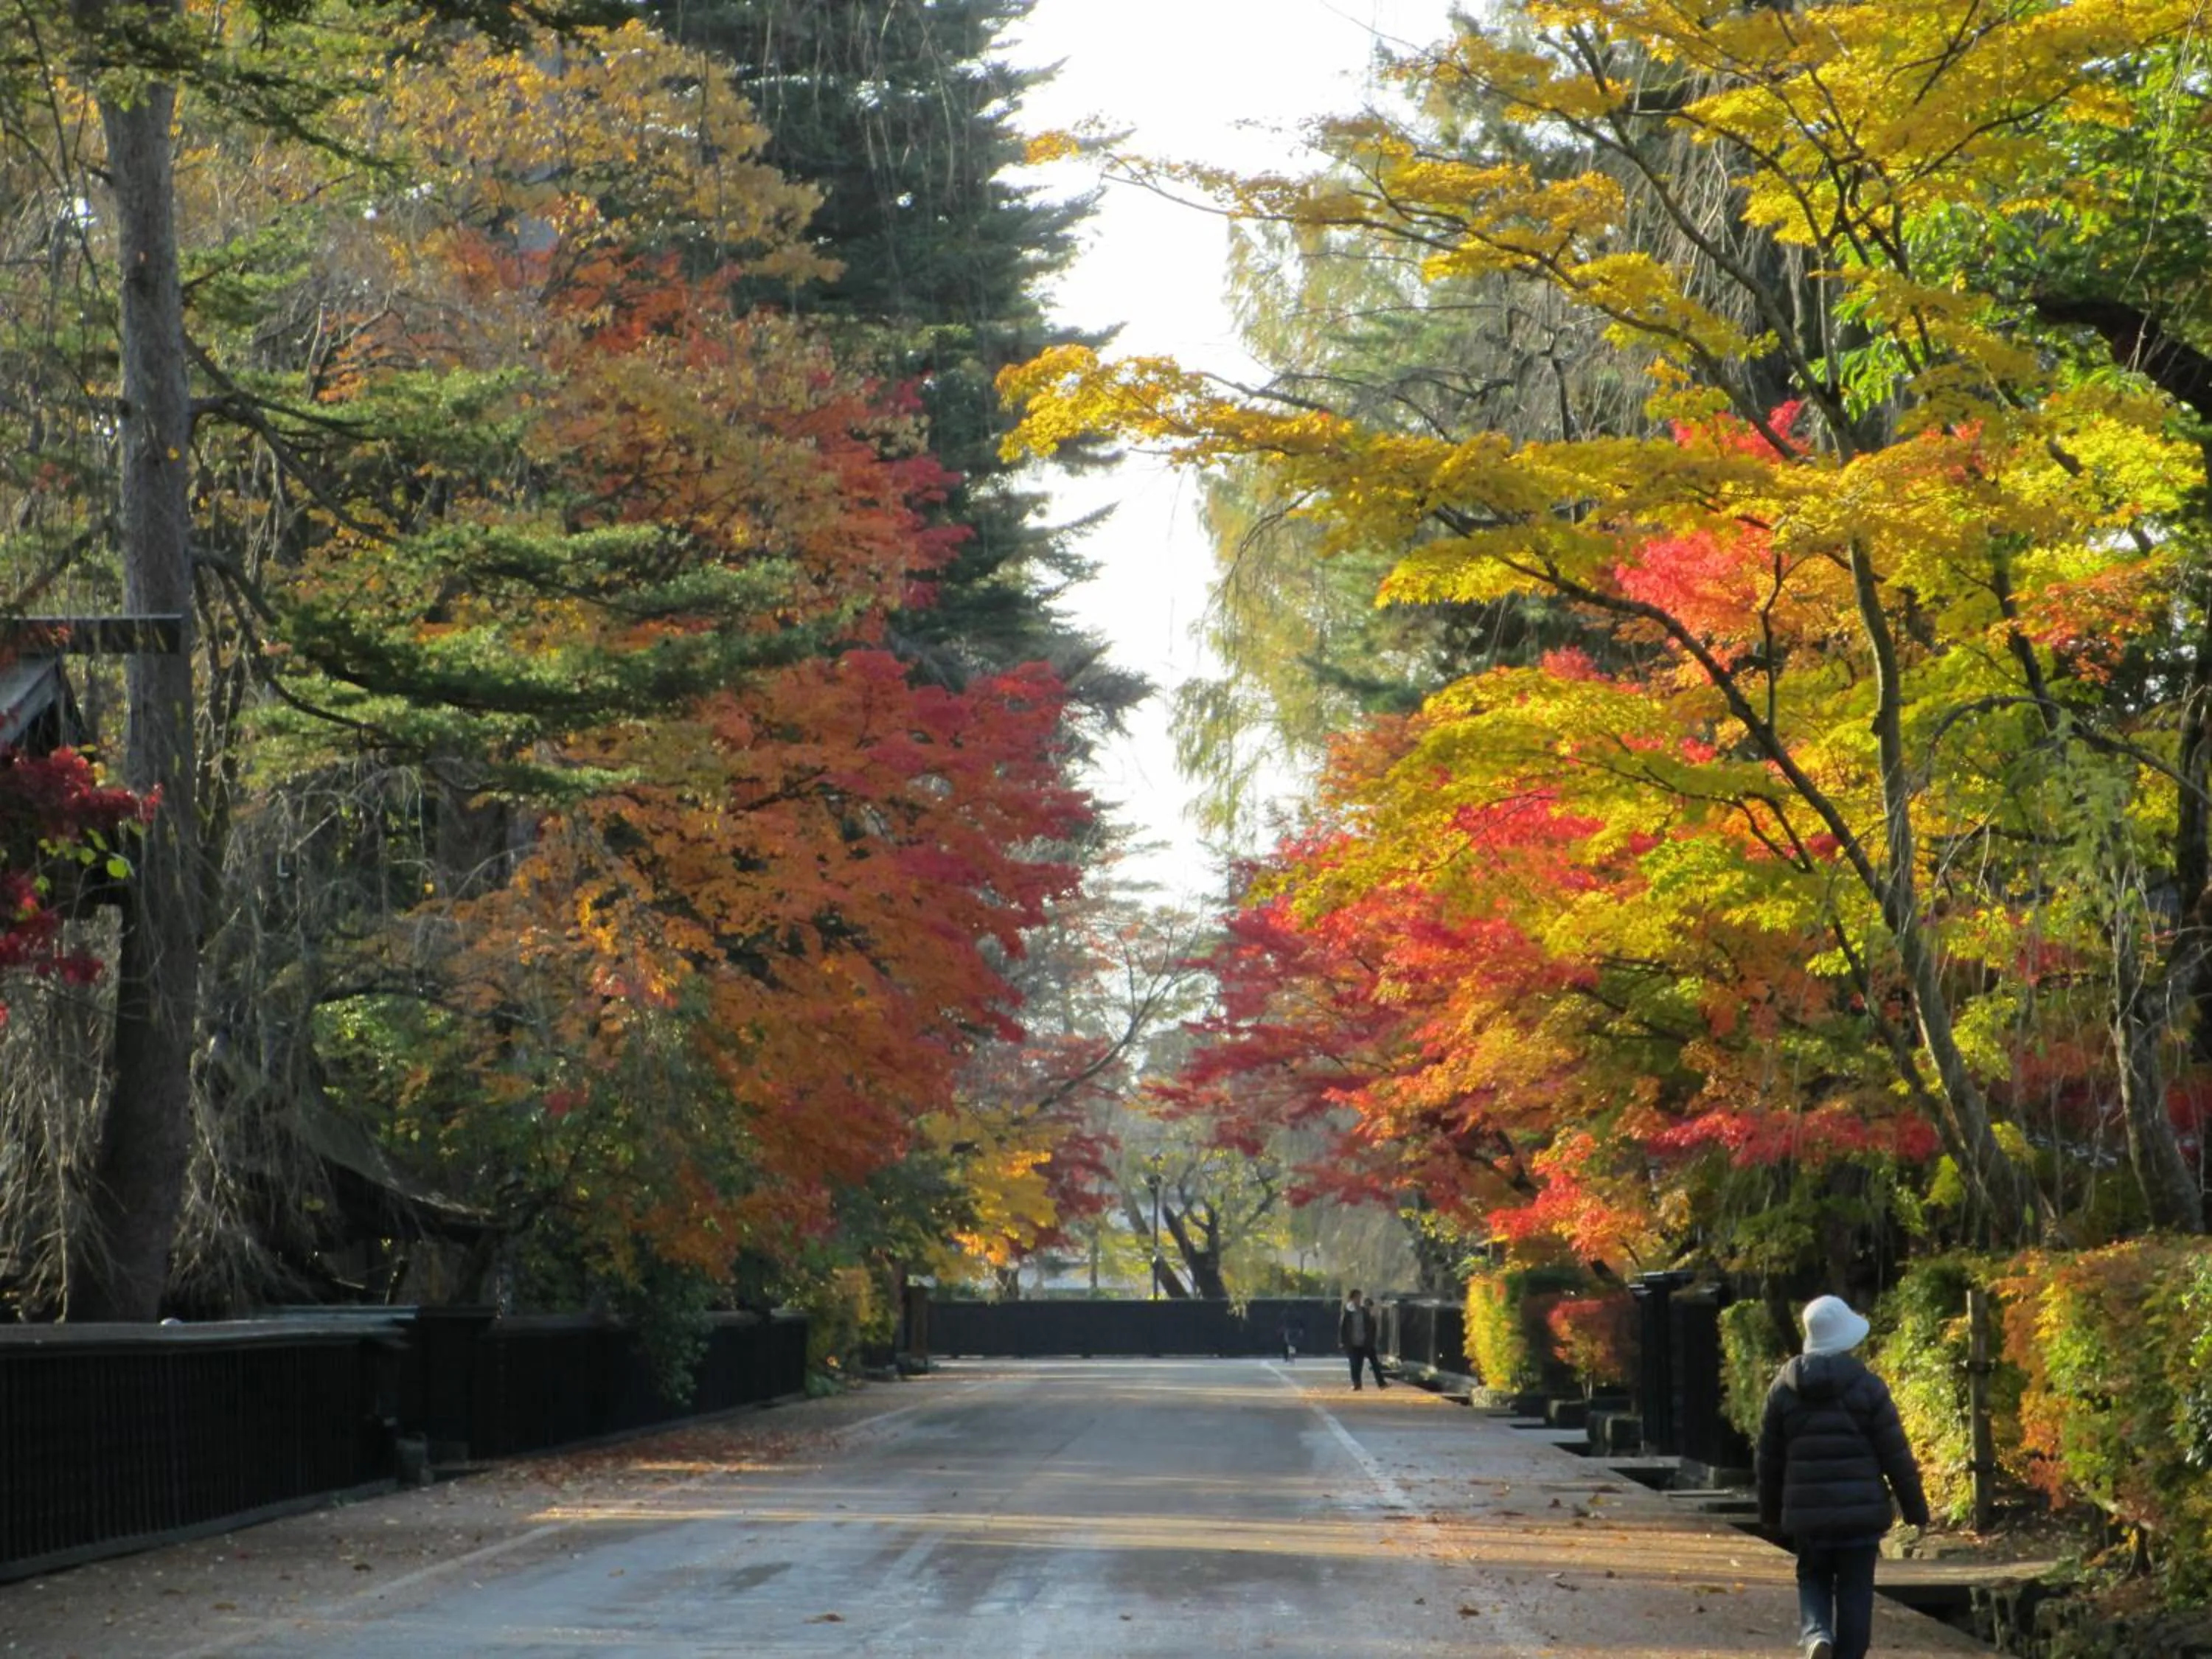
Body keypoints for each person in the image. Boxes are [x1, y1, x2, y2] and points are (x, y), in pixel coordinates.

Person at [1756, 1295, 1930, 1659]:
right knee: (1855, 1587)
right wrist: (1916, 1509)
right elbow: (1895, 1454)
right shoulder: (1869, 1388)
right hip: (1859, 1515)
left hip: (1808, 1514)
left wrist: (1770, 1513)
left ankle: (1817, 1633)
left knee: (1813, 1576)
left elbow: (1769, 1460)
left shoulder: (1783, 1391)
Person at [1338, 1290, 1387, 1391]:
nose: (1358, 1300)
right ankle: (1357, 1384)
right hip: (1353, 1343)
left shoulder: (1365, 1311)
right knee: (1355, 1364)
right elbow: (1343, 1328)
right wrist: (1342, 1342)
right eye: (1357, 1297)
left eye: (1360, 1297)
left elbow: (1372, 1326)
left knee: (1375, 1363)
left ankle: (1382, 1383)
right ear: (1351, 1299)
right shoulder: (1348, 1313)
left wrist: (1372, 1339)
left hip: (1366, 1342)